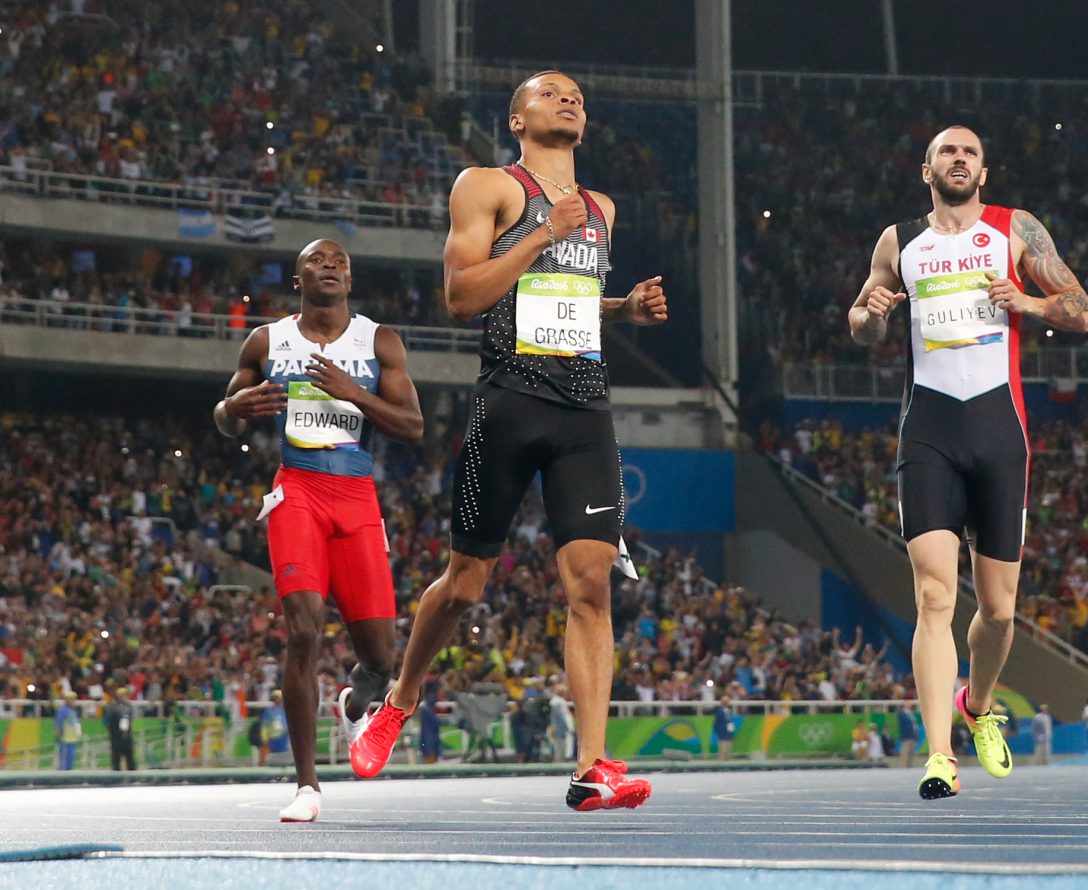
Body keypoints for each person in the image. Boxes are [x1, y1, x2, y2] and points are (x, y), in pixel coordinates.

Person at [351, 70, 667, 812]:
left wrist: (623, 311)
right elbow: (463, 295)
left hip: (586, 409)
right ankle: (399, 697)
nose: (571, 99)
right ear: (517, 119)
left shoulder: (602, 209)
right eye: (551, 92)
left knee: (590, 585)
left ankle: (591, 765)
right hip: (509, 403)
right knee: (465, 584)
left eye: (579, 96)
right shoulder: (488, 185)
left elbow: (569, 303)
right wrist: (541, 235)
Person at [848, 125, 1088, 800]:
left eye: (970, 153)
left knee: (1001, 612)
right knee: (933, 596)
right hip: (927, 430)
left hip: (999, 431)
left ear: (983, 172)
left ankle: (976, 706)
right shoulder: (899, 241)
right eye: (947, 152)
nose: (959, 159)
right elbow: (864, 325)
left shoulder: (1016, 231)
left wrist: (1031, 301)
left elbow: (1081, 311)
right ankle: (938, 755)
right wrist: (871, 314)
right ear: (926, 167)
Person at [214, 238, 424, 822]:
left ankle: (356, 698)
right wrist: (235, 410)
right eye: (318, 261)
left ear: (350, 282)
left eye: (341, 263)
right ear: (298, 278)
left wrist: (354, 392)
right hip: (298, 491)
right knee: (305, 629)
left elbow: (413, 425)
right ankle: (307, 785)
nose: (331, 267)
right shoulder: (267, 340)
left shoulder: (378, 341)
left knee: (382, 659)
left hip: (357, 498)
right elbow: (224, 414)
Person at [104, 686, 135, 771]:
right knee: (116, 758)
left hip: (126, 736)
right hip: (117, 736)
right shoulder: (113, 708)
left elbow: (129, 721)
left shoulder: (128, 706)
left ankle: (132, 775)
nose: (127, 697)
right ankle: (116, 776)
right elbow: (108, 722)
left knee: (129, 758)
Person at [259, 690, 290, 766]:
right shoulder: (269, 711)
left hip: (283, 736)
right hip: (272, 737)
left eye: (280, 698)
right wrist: (264, 739)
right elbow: (265, 726)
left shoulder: (286, 710)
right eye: (276, 698)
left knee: (283, 755)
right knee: (272, 756)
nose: (278, 700)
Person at [54, 690, 81, 770]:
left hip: (72, 739)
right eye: (72, 699)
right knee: (64, 761)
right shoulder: (62, 711)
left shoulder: (73, 712)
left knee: (70, 761)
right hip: (65, 740)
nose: (74, 701)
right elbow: (58, 724)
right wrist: (58, 735)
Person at [714, 694, 736, 761]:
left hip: (728, 733)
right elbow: (716, 724)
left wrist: (731, 731)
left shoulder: (729, 711)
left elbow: (730, 721)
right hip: (722, 733)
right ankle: (721, 761)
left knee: (728, 749)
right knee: (722, 750)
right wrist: (720, 732)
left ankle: (728, 760)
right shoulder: (719, 711)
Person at [897, 700, 919, 768]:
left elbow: (914, 724)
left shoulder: (911, 713)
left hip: (913, 734)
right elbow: (902, 725)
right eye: (908, 704)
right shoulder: (902, 714)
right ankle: (903, 765)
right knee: (905, 751)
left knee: (911, 751)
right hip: (906, 735)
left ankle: (909, 765)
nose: (910, 705)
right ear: (905, 705)